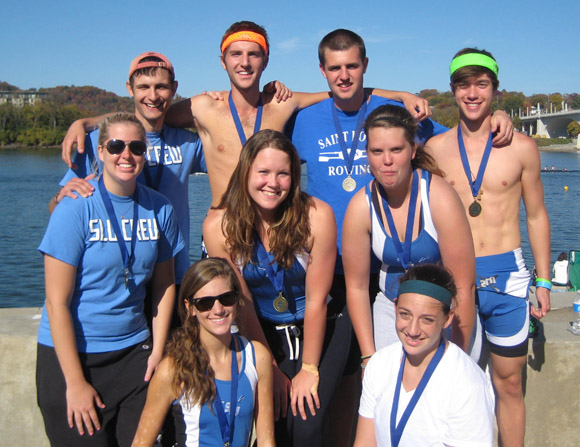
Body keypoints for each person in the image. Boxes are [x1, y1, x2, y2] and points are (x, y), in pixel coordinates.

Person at [287, 29, 511, 444]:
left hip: (435, 303)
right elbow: (260, 145)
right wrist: (373, 356)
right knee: (374, 399)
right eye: (334, 68)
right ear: (321, 71)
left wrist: (496, 116)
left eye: (352, 65)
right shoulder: (305, 123)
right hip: (359, 287)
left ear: (410, 148)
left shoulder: (401, 125)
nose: (344, 75)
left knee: (443, 404)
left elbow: (461, 136)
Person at [425, 48, 551, 447]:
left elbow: (536, 216)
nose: (473, 93)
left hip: (508, 276)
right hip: (453, 275)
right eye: (464, 85)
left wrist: (545, 279)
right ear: (453, 90)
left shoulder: (522, 148)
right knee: (452, 379)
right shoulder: (433, 149)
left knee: (509, 383)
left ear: (496, 90)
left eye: (482, 84)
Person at [36, 113, 183, 446]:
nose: (126, 155)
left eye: (136, 147)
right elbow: (56, 303)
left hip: (134, 355)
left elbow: (164, 285)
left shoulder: (160, 209)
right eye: (116, 146)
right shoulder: (75, 208)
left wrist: (157, 351)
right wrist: (74, 382)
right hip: (76, 357)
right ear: (100, 151)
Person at [203, 130, 340, 447]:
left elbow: (318, 300)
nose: (272, 183)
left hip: (321, 323)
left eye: (283, 174)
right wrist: (271, 369)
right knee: (275, 423)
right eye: (263, 172)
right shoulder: (218, 227)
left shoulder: (316, 216)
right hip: (262, 329)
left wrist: (309, 369)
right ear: (246, 172)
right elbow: (244, 303)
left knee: (305, 424)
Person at [51, 51, 205, 299]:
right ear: (129, 89)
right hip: (116, 281)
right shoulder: (97, 141)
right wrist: (61, 196)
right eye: (143, 87)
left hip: (173, 276)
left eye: (161, 87)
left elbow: (230, 160)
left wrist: (217, 110)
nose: (152, 96)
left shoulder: (188, 143)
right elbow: (56, 207)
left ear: (174, 89)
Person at [343, 104, 476, 361]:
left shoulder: (439, 197)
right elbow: (357, 288)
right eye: (377, 151)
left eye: (396, 149)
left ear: (413, 150)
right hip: (391, 309)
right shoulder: (360, 207)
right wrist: (368, 356)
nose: (387, 161)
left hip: (442, 311)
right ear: (367, 154)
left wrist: (459, 357)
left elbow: (463, 285)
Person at [132, 257, 275, 447]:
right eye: (205, 303)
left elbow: (266, 440)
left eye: (227, 298)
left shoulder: (258, 357)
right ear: (190, 307)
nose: (218, 310)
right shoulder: (173, 369)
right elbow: (141, 443)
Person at [353, 264, 494, 447]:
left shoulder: (468, 385)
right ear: (395, 308)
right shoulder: (379, 364)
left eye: (427, 319)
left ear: (448, 318)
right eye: (405, 315)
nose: (413, 330)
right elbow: (365, 442)